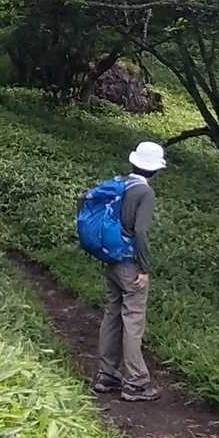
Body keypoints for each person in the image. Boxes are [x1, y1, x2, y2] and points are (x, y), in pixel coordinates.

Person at [94, 140, 165, 401]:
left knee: (112, 314)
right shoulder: (144, 192)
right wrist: (144, 268)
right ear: (155, 169)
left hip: (112, 259)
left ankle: (107, 374)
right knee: (133, 319)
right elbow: (140, 231)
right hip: (130, 263)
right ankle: (135, 382)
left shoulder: (122, 184)